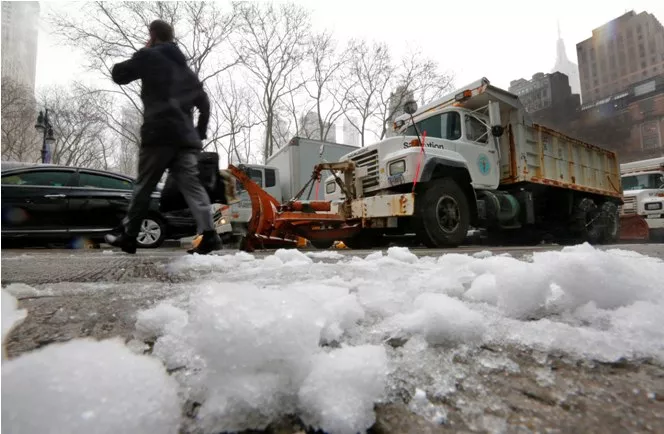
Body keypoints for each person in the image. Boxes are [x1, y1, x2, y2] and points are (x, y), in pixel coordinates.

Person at [105, 19, 222, 255]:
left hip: (159, 135)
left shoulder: (151, 56)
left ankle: (128, 237)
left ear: (153, 34)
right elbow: (205, 103)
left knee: (144, 186)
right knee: (192, 186)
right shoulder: (187, 72)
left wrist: (143, 53)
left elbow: (119, 74)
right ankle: (209, 235)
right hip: (186, 141)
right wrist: (199, 131)